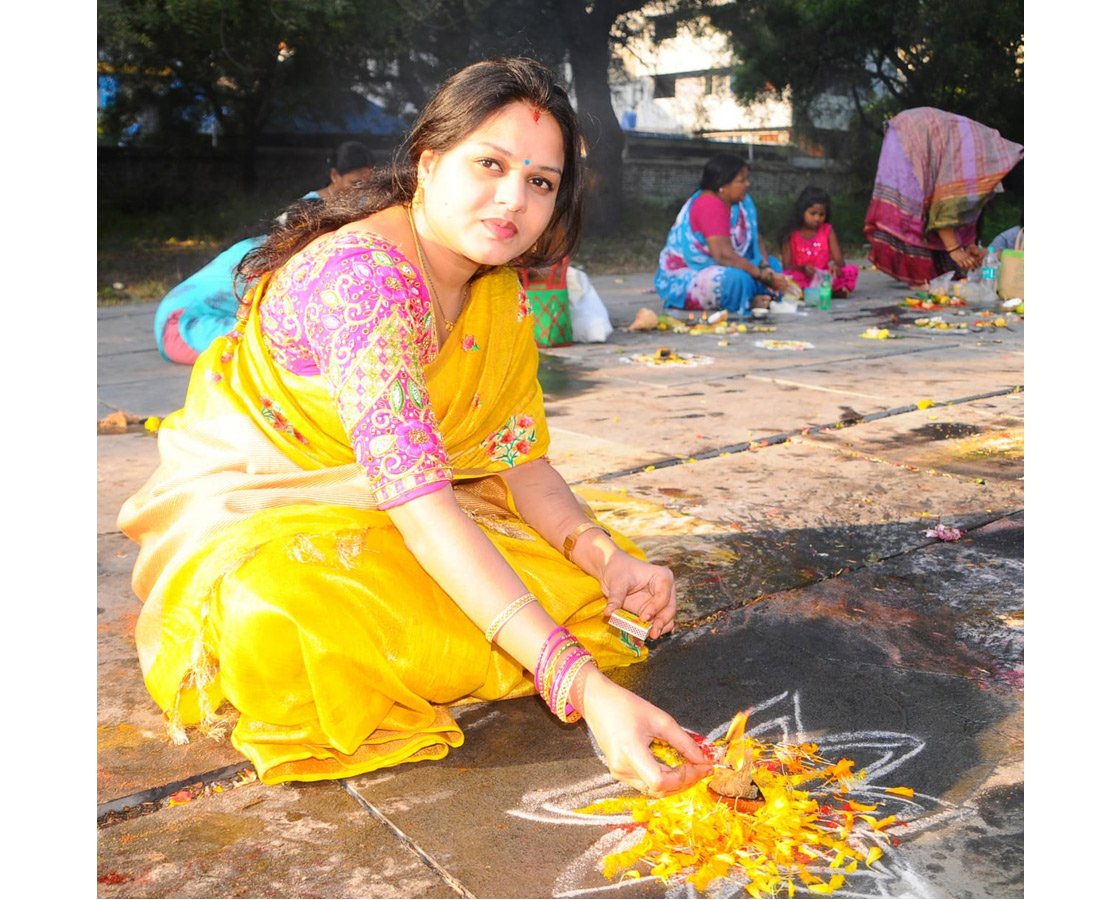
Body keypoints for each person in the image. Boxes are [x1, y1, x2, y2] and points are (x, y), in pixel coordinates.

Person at [119, 58, 713, 797]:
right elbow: (430, 516)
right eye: (489, 165)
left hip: (407, 501)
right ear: (429, 164)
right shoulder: (365, 282)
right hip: (264, 505)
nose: (512, 200)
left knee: (592, 590)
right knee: (286, 618)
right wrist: (586, 692)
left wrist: (603, 559)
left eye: (540, 182)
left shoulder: (494, 287)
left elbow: (519, 463)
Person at [154, 142, 377, 365]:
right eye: (355, 183)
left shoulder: (278, 240)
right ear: (334, 175)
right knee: (284, 347)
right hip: (182, 327)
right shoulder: (283, 254)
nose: (360, 192)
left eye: (367, 185)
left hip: (180, 320)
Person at [863, 107, 1023, 286]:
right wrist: (955, 249)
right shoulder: (989, 162)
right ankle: (919, 276)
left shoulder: (998, 157)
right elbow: (945, 203)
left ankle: (931, 276)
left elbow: (968, 207)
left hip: (923, 132)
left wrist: (969, 246)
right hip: (914, 136)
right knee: (919, 207)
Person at [654, 153, 789, 319]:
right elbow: (723, 256)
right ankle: (749, 299)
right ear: (722, 185)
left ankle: (753, 298)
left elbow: (755, 238)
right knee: (736, 281)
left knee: (774, 265)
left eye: (747, 179)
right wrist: (765, 277)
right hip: (690, 275)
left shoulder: (741, 204)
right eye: (741, 181)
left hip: (730, 265)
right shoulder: (709, 204)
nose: (748, 184)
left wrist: (766, 267)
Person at [779, 186, 858, 298]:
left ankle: (818, 292)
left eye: (821, 215)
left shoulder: (827, 230)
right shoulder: (790, 233)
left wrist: (836, 267)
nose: (817, 218)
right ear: (802, 211)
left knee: (851, 270)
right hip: (801, 276)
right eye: (813, 213)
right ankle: (829, 292)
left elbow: (840, 261)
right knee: (786, 276)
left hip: (823, 277)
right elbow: (786, 266)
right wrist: (803, 268)